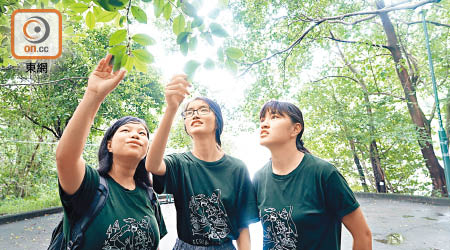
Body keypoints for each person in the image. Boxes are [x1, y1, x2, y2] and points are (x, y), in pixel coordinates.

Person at [55, 55, 166, 250]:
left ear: (147, 148)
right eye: (125, 130)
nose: (135, 135)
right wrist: (93, 94)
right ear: (109, 145)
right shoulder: (90, 185)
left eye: (142, 133)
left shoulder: (149, 196)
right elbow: (66, 158)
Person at [146, 74, 259, 250]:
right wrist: (171, 109)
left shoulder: (237, 168)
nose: (195, 115)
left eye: (203, 110)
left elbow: (242, 225)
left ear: (217, 121)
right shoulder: (179, 163)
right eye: (189, 112)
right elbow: (152, 165)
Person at [253, 100, 372, 250]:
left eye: (274, 117)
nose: (264, 124)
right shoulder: (259, 178)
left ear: (295, 129)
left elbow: (363, 235)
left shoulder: (324, 174)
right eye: (262, 120)